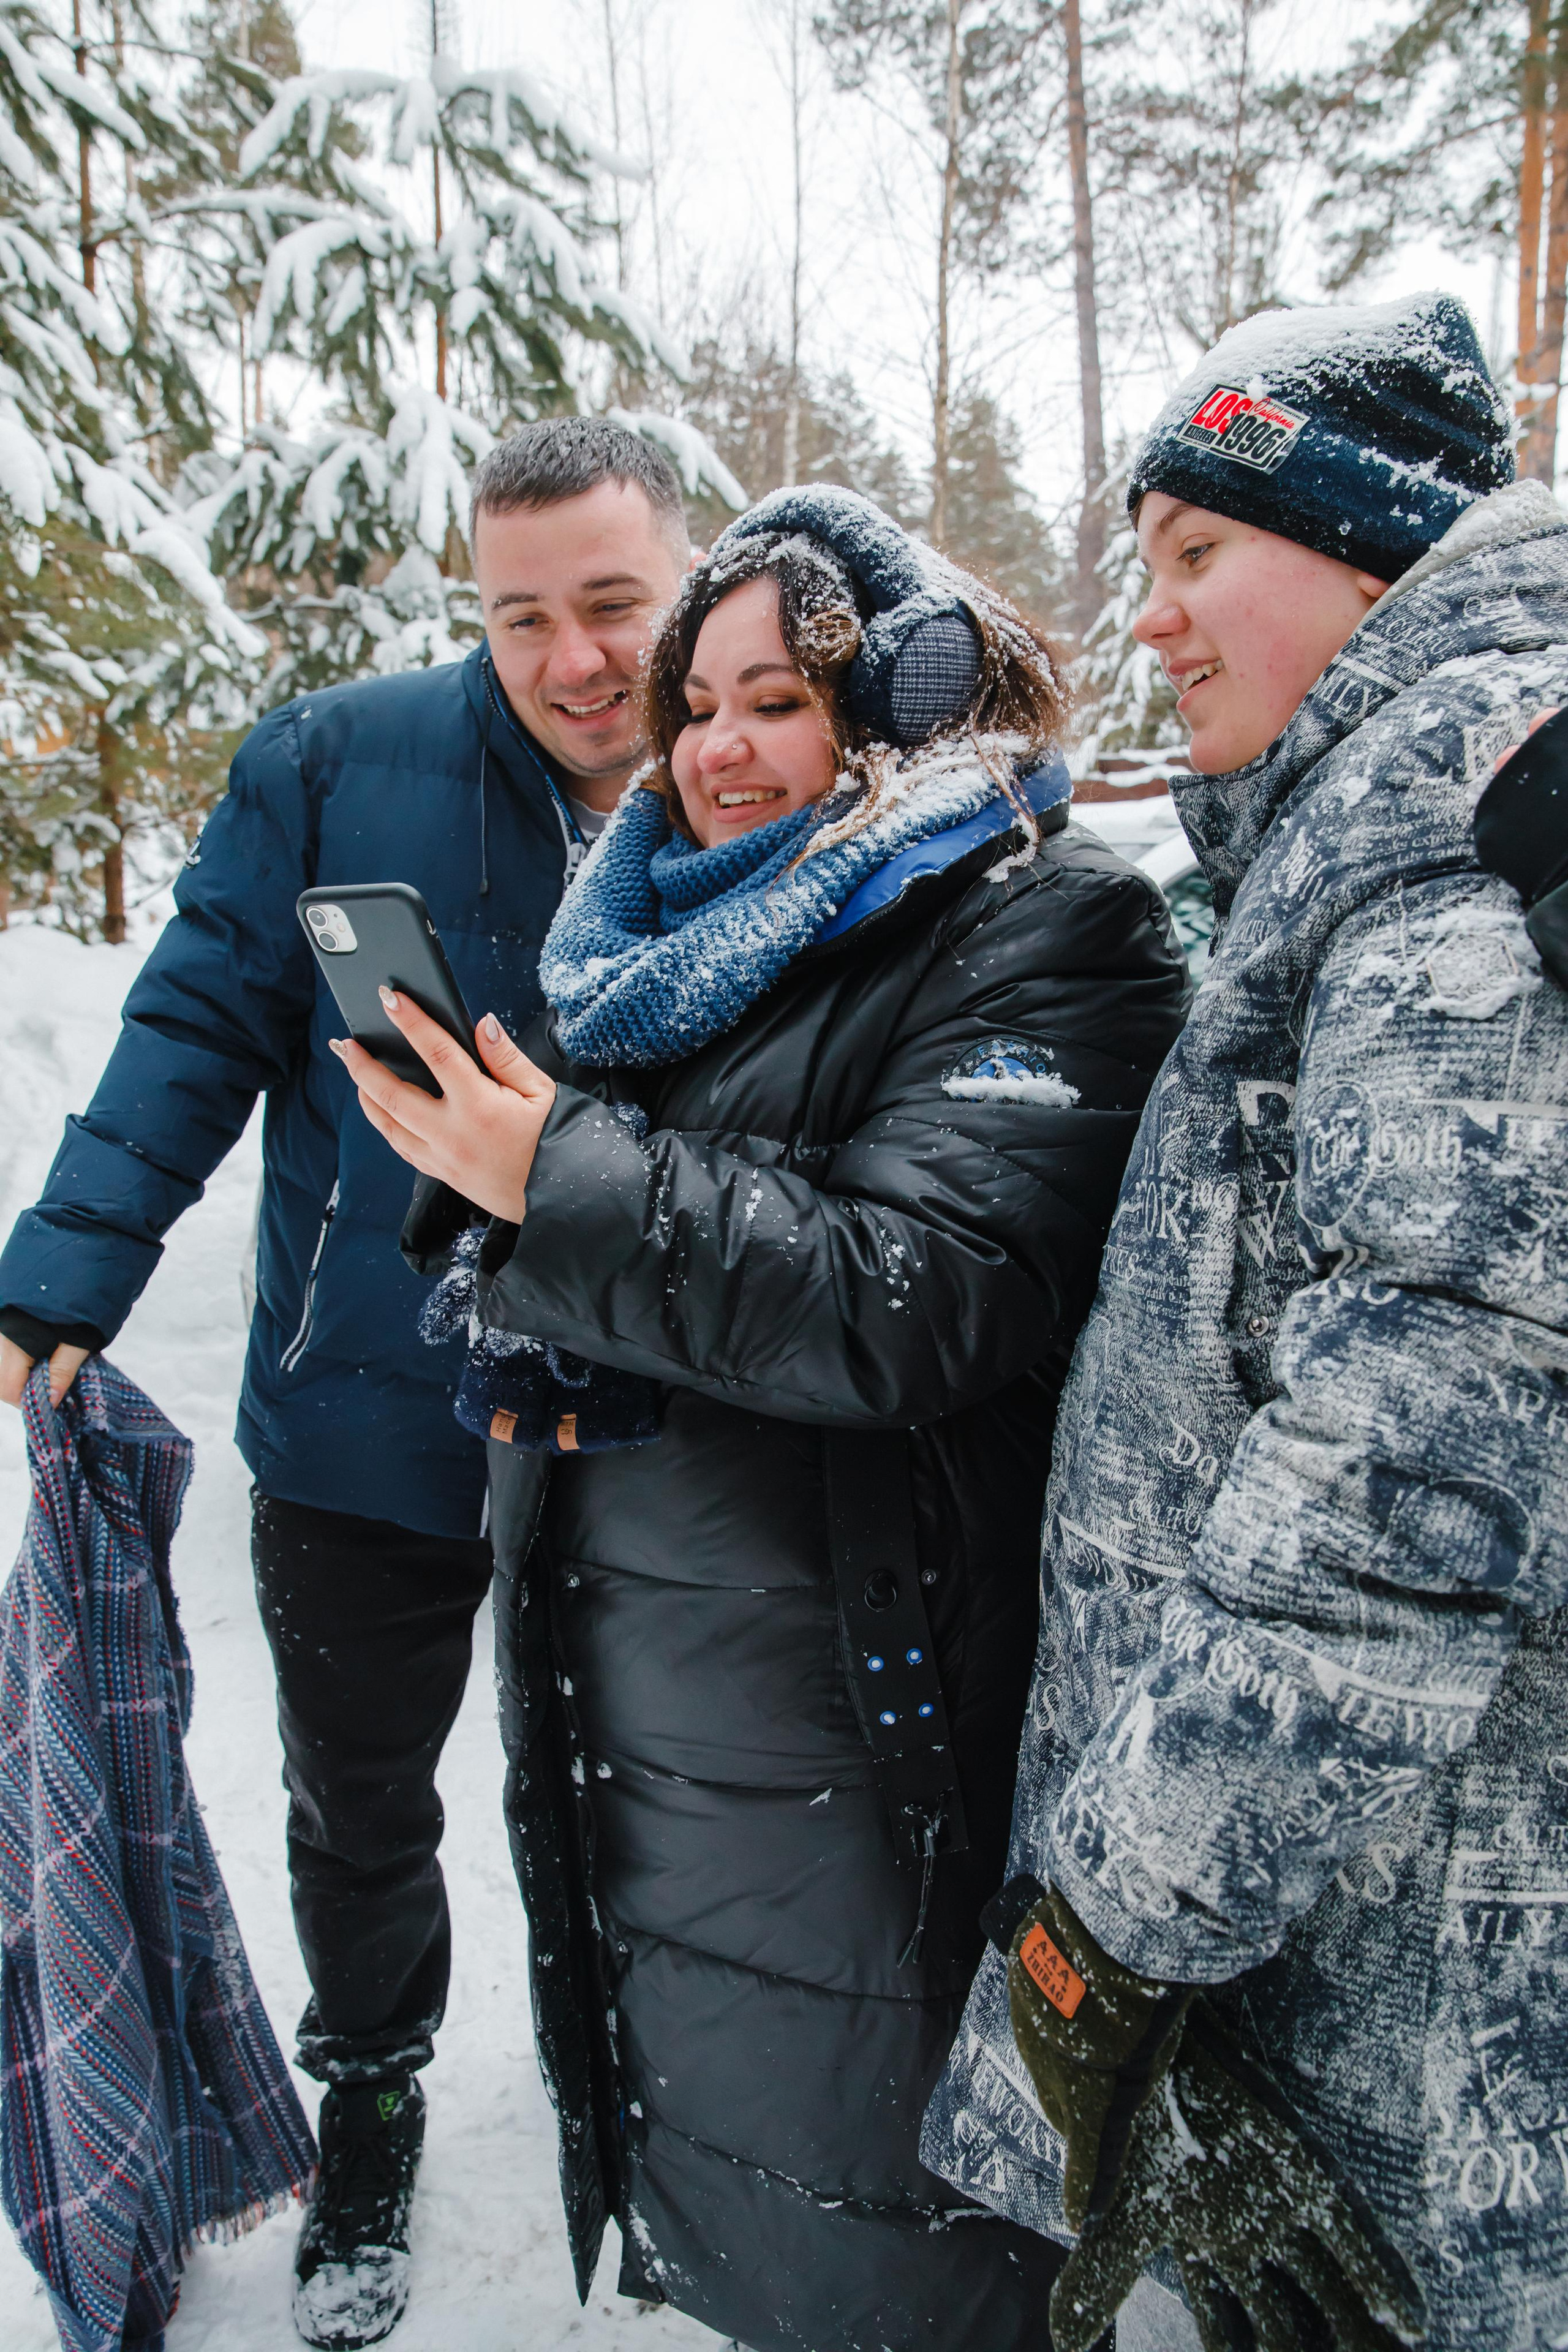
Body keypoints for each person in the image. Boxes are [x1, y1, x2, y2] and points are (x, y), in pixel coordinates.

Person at [333, 486, 1191, 2351]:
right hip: (654, 1708)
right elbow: (671, 1214)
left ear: (901, 706)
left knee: (900, 2222)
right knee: (745, 2174)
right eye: (696, 701)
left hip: (868, 1736)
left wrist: (547, 1176)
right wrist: (487, 1165)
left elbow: (918, 1295)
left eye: (777, 700)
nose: (715, 745)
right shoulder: (647, 956)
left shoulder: (1045, 926)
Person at [0, 417, 692, 2349]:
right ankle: (371, 2092)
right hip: (365, 1412)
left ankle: (653, 2098)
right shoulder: (329, 764)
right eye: (522, 614)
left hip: (640, 1416)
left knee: (650, 1785)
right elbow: (196, 1024)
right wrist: (70, 1267)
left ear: (683, 581)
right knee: (361, 1797)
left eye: (614, 605)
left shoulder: (746, 761)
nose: (571, 659)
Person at [922, 291, 1568, 2352]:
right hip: (1345, 1910)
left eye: (1201, 555)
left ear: (1375, 554)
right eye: (1145, 569)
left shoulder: (1450, 837)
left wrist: (1125, 1905)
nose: (1157, 625)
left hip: (1410, 1967)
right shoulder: (1362, 826)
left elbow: (1413, 1464)